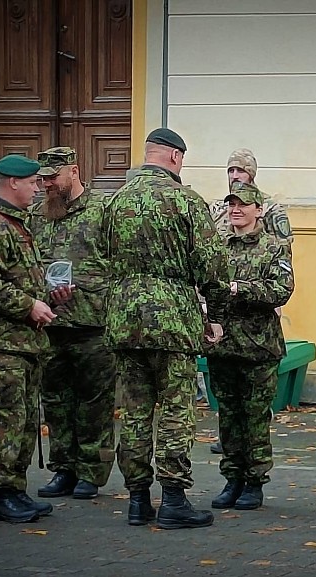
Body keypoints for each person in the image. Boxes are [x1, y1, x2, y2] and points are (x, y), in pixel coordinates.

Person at [104, 127, 229, 529]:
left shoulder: (114, 201)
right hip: (172, 317)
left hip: (125, 317)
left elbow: (102, 257)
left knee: (136, 410)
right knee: (176, 407)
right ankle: (174, 498)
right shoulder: (186, 201)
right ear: (175, 157)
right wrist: (215, 314)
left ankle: (138, 499)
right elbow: (211, 265)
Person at [0, 154, 72, 524]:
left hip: (25, 342)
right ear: (13, 183)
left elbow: (18, 277)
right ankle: (1, 493)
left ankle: (15, 488)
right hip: (5, 342)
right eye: (31, 183)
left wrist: (49, 295)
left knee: (25, 419)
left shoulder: (17, 225)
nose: (37, 188)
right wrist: (29, 306)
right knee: (6, 419)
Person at [28, 147, 116, 500]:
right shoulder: (37, 215)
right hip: (49, 323)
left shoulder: (103, 212)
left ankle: (91, 472)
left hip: (93, 324)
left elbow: (118, 261)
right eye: (42, 179)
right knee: (56, 401)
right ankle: (63, 468)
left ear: (74, 172)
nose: (46, 184)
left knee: (93, 403)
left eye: (52, 177)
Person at [206, 181, 294, 510]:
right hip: (223, 344)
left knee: (255, 418)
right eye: (231, 204)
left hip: (259, 347)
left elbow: (281, 289)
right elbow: (206, 285)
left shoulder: (274, 246)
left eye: (243, 204)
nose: (236, 209)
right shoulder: (218, 246)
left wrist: (238, 288)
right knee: (228, 416)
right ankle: (232, 478)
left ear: (259, 210)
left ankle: (255, 481)